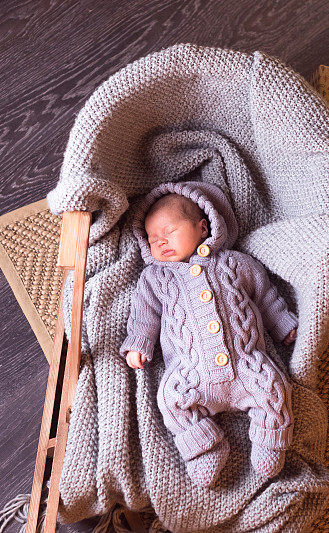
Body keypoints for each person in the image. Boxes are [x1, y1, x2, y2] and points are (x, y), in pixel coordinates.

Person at [120, 181, 298, 488]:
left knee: (274, 388)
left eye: (169, 232)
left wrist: (283, 323)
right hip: (190, 375)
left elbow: (265, 295)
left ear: (203, 228)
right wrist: (139, 343)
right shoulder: (155, 277)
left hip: (247, 366)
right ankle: (205, 448)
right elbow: (143, 315)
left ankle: (269, 441)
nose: (160, 242)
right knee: (169, 401)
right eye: (152, 239)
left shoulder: (234, 263)